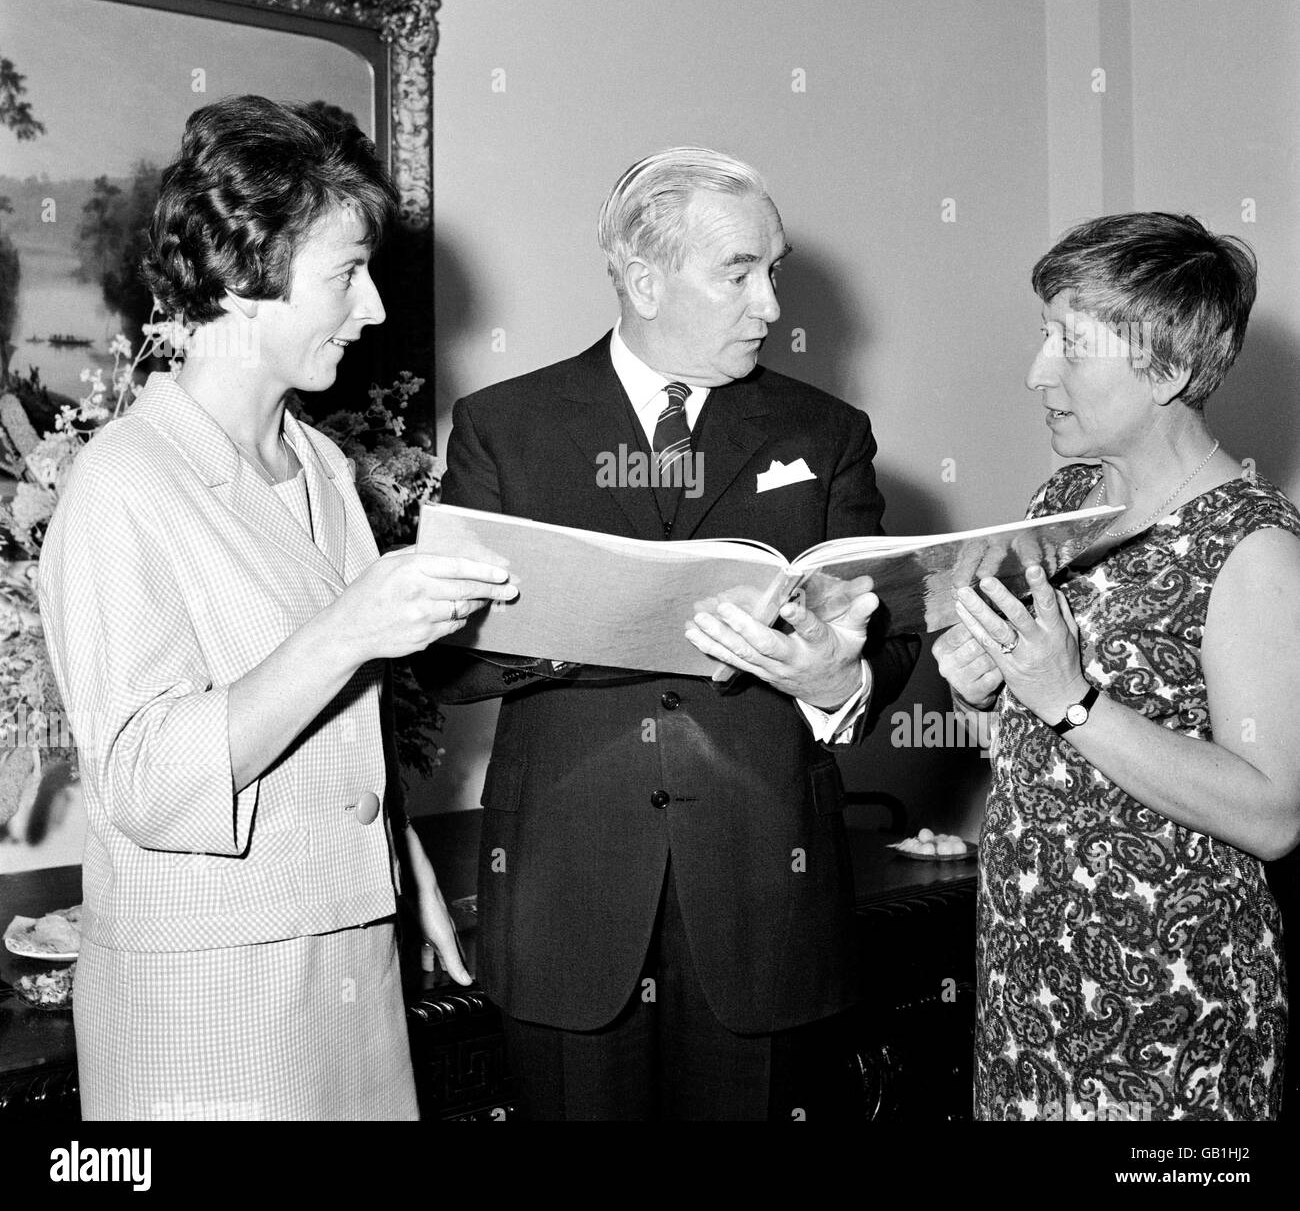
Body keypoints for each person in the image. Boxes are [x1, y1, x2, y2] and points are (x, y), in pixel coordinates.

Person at [37, 95, 516, 1120]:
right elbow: (145, 780)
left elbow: (335, 729)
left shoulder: (320, 464)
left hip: (349, 958)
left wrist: (402, 859)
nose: (375, 306)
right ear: (245, 279)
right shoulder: (123, 483)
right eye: (347, 272)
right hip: (213, 1000)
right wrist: (350, 628)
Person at [421, 147, 919, 1119]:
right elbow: (446, 662)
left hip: (765, 904)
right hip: (566, 899)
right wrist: (585, 625)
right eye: (740, 271)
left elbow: (892, 640)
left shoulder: (826, 433)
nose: (771, 304)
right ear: (644, 278)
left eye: (773, 268)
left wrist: (832, 677)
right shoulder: (503, 425)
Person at [933, 211, 1300, 1120]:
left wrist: (1070, 698)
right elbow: (1034, 727)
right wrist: (978, 681)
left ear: (1169, 370)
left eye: (1071, 344)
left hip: (1168, 1000)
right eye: (1042, 335)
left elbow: (1272, 812)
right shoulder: (1060, 499)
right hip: (1029, 970)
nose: (1036, 371)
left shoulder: (1252, 546)